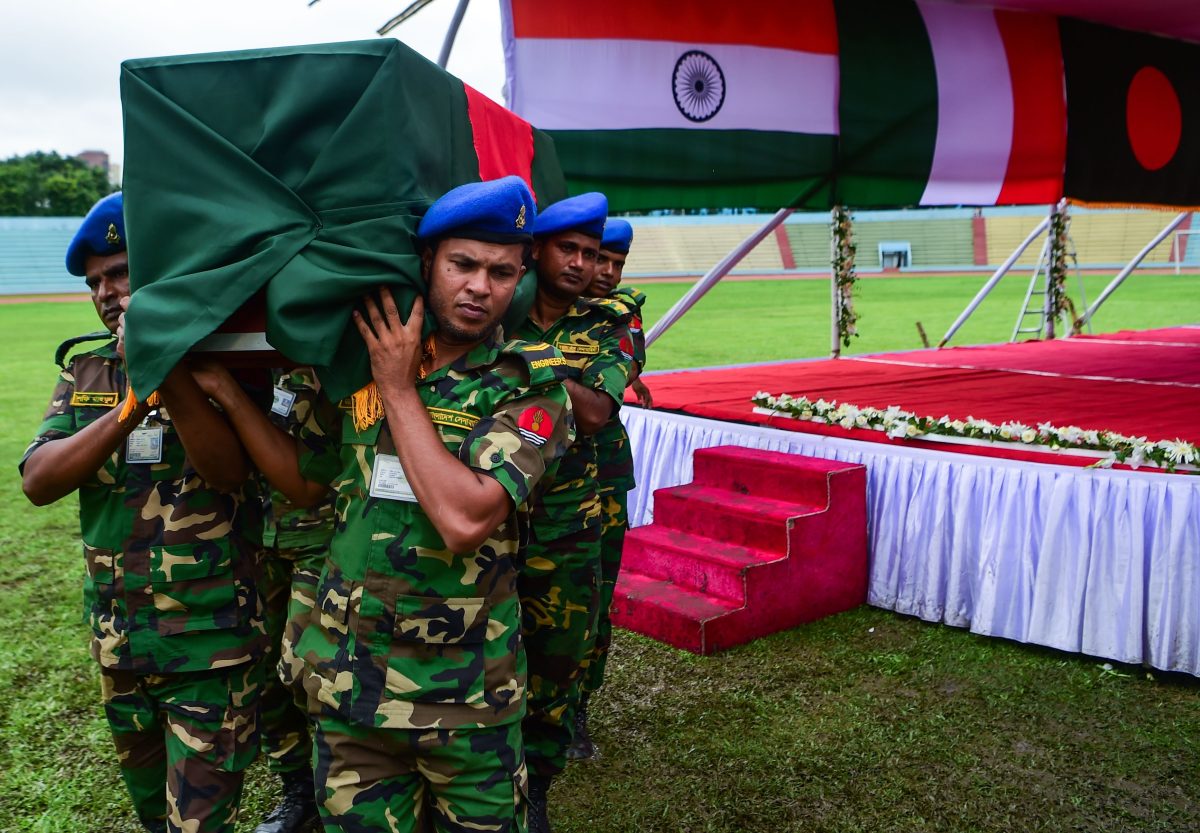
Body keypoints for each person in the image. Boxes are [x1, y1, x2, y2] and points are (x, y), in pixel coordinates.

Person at [190, 175, 575, 833]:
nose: (480, 286)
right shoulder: (355, 361)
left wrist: (398, 390)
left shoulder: (529, 385)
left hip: (464, 700)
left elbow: (464, 519)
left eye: (502, 272)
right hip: (350, 691)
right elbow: (308, 483)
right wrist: (224, 392)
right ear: (427, 262)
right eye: (463, 264)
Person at [20, 192, 268, 833]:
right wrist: (131, 402)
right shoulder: (86, 372)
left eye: (121, 272)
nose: (107, 292)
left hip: (208, 647)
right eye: (96, 281)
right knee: (153, 817)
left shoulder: (227, 362)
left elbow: (228, 473)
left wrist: (170, 374)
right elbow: (39, 481)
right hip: (119, 641)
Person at [510, 194, 633, 832]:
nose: (584, 264)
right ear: (538, 250)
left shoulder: (605, 324)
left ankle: (538, 787)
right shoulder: (494, 312)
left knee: (558, 658)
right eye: (570, 250)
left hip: (566, 519)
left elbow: (593, 411)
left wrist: (523, 364)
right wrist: (559, 373)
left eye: (592, 253)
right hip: (493, 520)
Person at [569, 218, 649, 761]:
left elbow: (600, 407)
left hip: (601, 478)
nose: (607, 273)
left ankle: (575, 706)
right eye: (602, 260)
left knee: (593, 597)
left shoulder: (620, 318)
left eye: (617, 264)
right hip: (538, 476)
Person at [252, 366, 332, 833]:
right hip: (248, 533)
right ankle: (296, 786)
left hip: (320, 534)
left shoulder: (326, 353)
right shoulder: (226, 349)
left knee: (309, 670)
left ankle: (332, 785)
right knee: (260, 667)